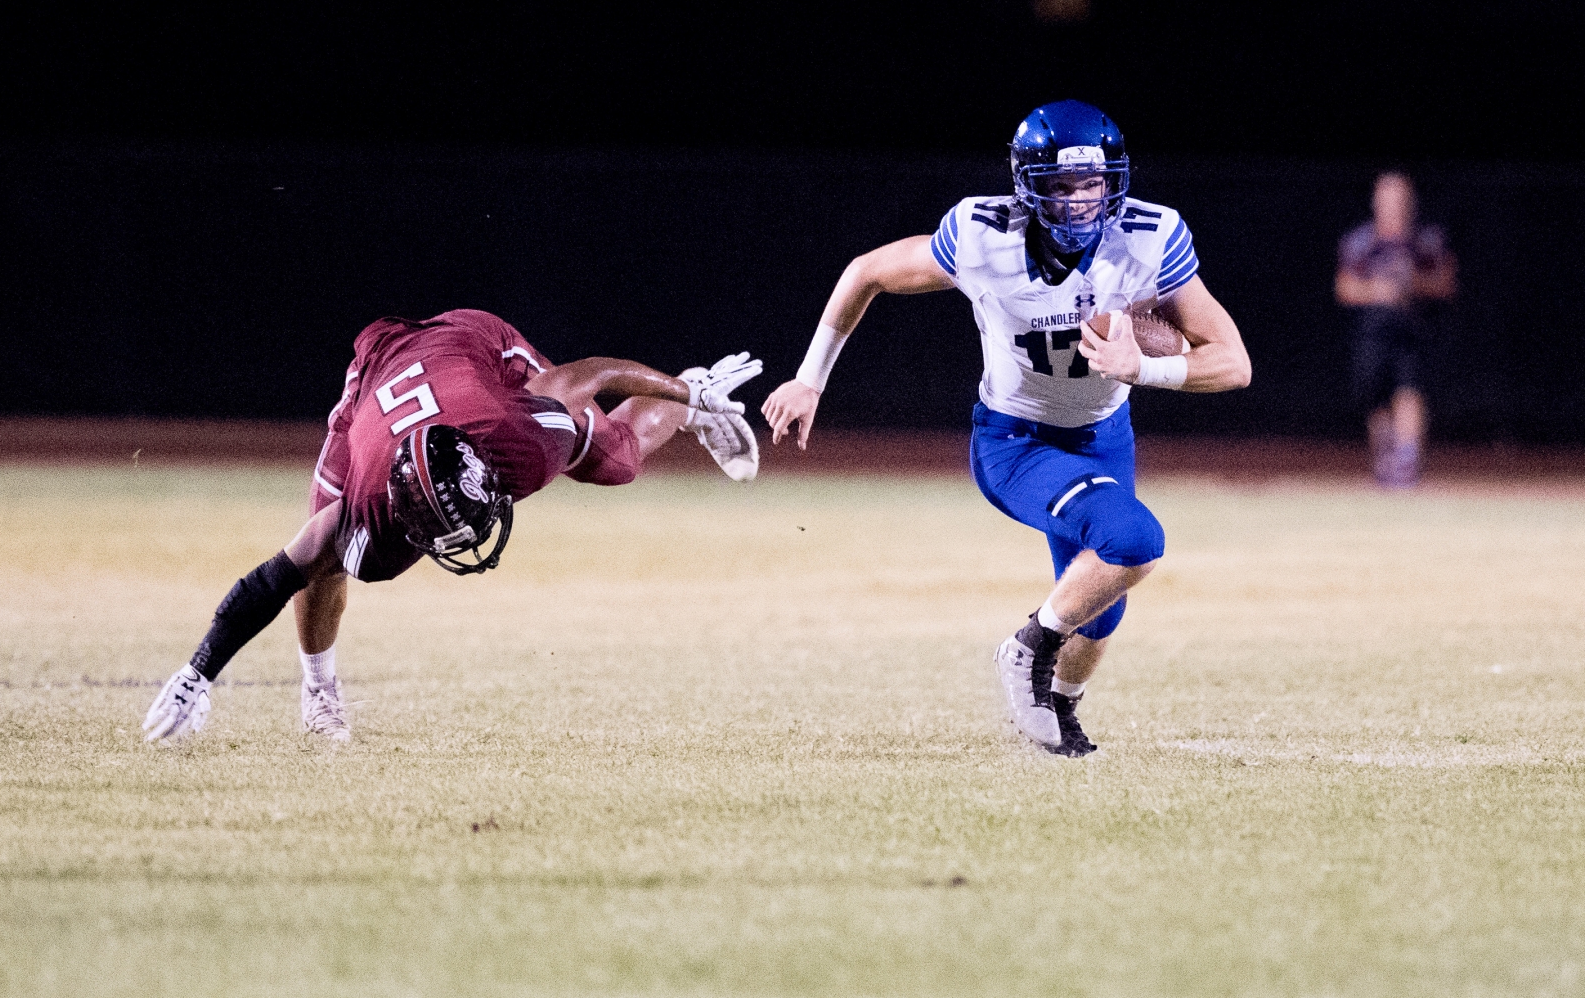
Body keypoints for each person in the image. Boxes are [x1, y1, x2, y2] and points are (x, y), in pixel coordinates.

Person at [762, 100, 1251, 757]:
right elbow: (867, 272)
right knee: (1135, 540)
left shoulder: (1148, 237)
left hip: (1104, 435)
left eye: (1092, 183)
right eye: (1061, 185)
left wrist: (1144, 368)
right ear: (1027, 185)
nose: (1079, 201)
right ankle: (1027, 650)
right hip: (1016, 441)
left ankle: (1061, 707)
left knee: (1100, 607)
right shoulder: (982, 236)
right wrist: (810, 377)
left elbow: (1233, 363)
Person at [144, 308, 762, 742]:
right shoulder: (373, 506)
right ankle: (319, 690)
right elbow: (277, 575)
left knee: (615, 460)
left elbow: (590, 373)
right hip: (379, 374)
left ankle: (694, 400)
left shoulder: (521, 443)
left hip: (473, 344)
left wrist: (686, 392)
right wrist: (195, 675)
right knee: (323, 559)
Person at [1334, 172, 1455, 487]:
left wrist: (1413, 284)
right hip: (1372, 331)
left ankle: (1407, 463)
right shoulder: (1361, 241)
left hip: (1412, 328)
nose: (1392, 205)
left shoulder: (1425, 240)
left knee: (1409, 390)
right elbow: (1344, 287)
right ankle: (1385, 461)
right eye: (1385, 198)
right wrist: (1378, 290)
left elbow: (1446, 282)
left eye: (1398, 199)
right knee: (1375, 396)